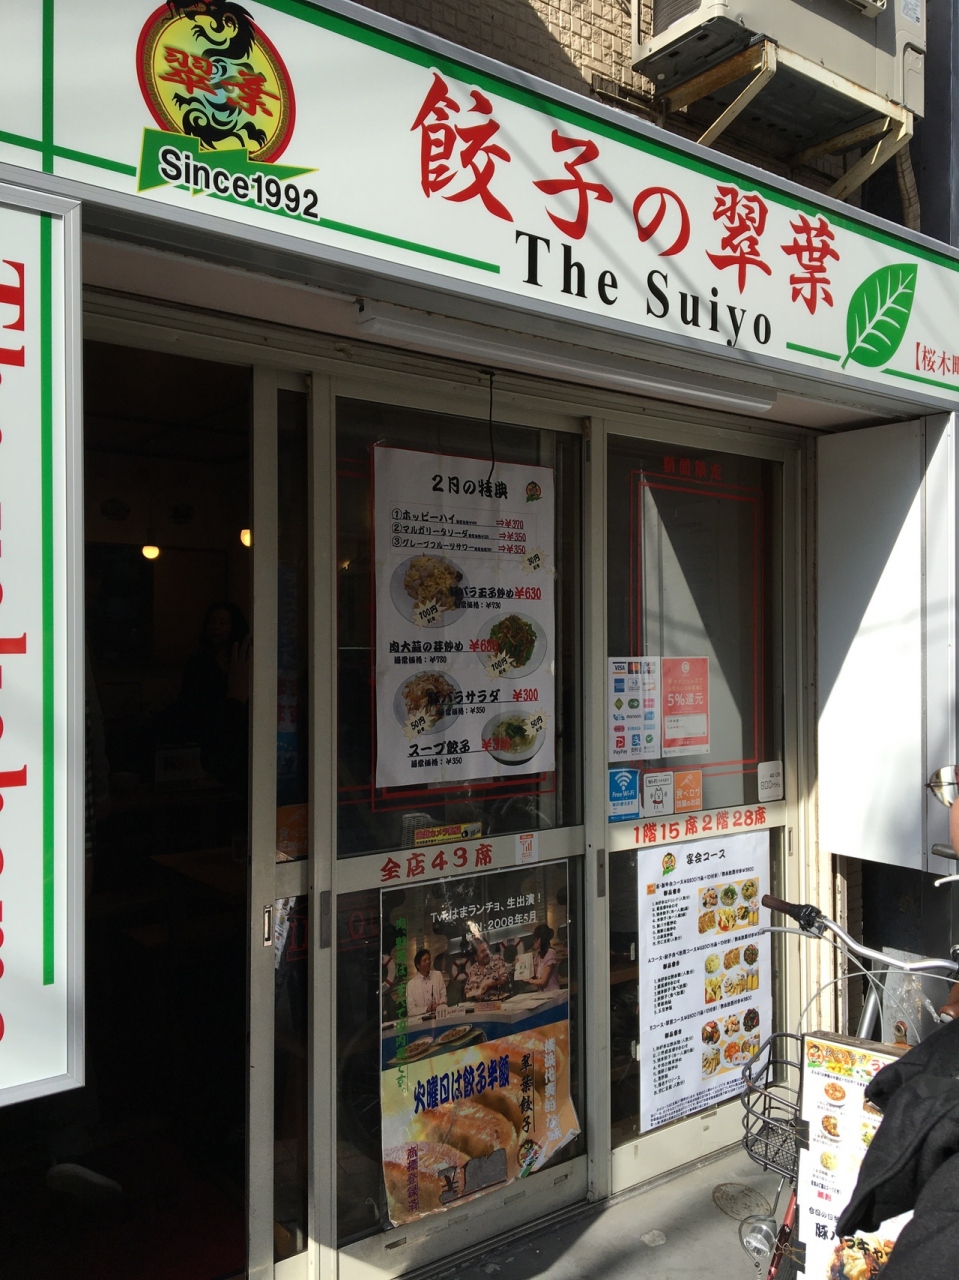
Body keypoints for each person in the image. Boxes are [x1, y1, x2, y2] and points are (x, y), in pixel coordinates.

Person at [406, 948, 447, 1017]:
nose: (428, 962)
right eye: (424, 960)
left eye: (429, 959)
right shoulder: (411, 985)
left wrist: (440, 1005)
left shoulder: (438, 975)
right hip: (421, 1019)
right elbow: (411, 1010)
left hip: (439, 1015)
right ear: (418, 965)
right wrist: (427, 1009)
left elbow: (443, 995)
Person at [527, 924, 561, 991]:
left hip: (553, 993)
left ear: (539, 940)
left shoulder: (550, 953)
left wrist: (530, 981)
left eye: (534, 939)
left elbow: (543, 981)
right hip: (543, 994)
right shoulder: (538, 955)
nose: (533, 942)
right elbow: (533, 974)